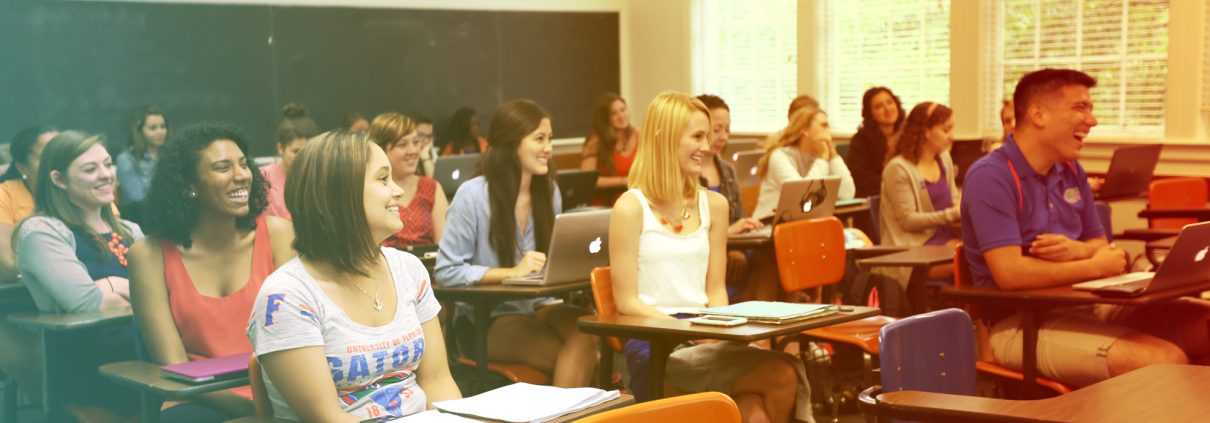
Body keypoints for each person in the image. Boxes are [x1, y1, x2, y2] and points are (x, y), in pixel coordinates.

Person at [962, 68, 1210, 387]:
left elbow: (1099, 244)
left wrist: (1078, 251)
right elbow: (1010, 274)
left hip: (1090, 304)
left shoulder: (1071, 170)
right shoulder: (991, 176)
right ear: (1038, 114)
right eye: (1080, 108)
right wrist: (1093, 265)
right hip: (1021, 323)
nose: (1092, 120)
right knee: (1163, 361)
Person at [609, 92, 811, 422]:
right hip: (656, 343)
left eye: (707, 136)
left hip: (705, 333)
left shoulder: (715, 206)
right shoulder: (630, 208)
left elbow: (716, 291)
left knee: (754, 411)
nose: (706, 146)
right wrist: (687, 329)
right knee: (781, 373)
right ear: (665, 138)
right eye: (697, 136)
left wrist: (721, 331)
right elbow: (626, 302)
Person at [248, 130, 460, 421]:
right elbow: (328, 418)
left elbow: (438, 382)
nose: (398, 191)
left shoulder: (408, 269)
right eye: (383, 179)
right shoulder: (287, 296)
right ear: (339, 195)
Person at [129, 122, 296, 419]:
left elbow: (297, 340)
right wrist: (249, 411)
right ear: (189, 186)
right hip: (198, 399)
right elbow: (174, 365)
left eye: (243, 164)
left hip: (278, 391)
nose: (242, 175)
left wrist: (270, 405)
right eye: (223, 168)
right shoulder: (148, 254)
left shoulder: (279, 234)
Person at [436, 100, 598, 387]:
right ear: (512, 142)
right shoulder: (472, 195)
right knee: (577, 357)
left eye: (550, 139)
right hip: (487, 318)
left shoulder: (549, 190)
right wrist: (511, 273)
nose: (548, 148)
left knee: (588, 332)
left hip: (539, 304)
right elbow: (446, 272)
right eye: (539, 138)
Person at [15, 130, 141, 417]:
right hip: (90, 370)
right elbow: (85, 302)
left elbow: (168, 292)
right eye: (90, 169)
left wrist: (109, 285)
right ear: (59, 179)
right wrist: (137, 291)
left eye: (107, 164)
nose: (106, 174)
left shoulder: (130, 230)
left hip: (146, 351)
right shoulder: (42, 231)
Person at [879, 102, 960, 281]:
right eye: (946, 130)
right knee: (972, 260)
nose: (951, 137)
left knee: (986, 252)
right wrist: (953, 214)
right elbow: (908, 221)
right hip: (911, 252)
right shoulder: (898, 168)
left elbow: (953, 199)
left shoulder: (943, 158)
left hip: (942, 241)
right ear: (926, 131)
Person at [695, 94, 763, 301]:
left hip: (731, 247)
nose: (723, 136)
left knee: (769, 257)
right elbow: (693, 233)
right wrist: (730, 235)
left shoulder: (728, 170)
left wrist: (737, 246)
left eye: (727, 129)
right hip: (705, 252)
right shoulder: (687, 173)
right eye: (716, 130)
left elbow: (739, 218)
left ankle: (762, 316)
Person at [752, 107, 856, 222]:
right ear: (805, 130)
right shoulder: (779, 156)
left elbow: (847, 193)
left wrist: (833, 154)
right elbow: (802, 196)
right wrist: (823, 158)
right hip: (768, 222)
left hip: (801, 222)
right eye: (824, 125)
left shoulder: (821, 157)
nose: (829, 132)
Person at [369, 113, 449, 247]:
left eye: (416, 142)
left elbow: (445, 246)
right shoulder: (371, 190)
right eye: (402, 144)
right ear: (381, 150)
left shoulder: (431, 187)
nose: (413, 151)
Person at [0, 125, 58, 284]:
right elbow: (7, 266)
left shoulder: (86, 188)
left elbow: (113, 247)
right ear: (22, 167)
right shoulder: (4, 196)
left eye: (64, 154)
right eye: (46, 157)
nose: (59, 162)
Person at [262, 103, 319, 221]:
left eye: (308, 151)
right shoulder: (262, 178)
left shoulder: (319, 178)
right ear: (280, 148)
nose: (303, 158)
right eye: (296, 151)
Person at [845, 87, 905, 198]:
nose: (887, 109)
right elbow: (862, 179)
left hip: (905, 193)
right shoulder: (861, 140)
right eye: (879, 107)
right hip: (875, 197)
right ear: (870, 113)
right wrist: (896, 184)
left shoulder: (908, 135)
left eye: (890, 102)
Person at [580, 93, 641, 202]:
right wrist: (624, 181)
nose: (621, 116)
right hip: (607, 202)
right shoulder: (595, 141)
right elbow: (587, 180)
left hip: (635, 199)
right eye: (614, 114)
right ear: (605, 118)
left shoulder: (639, 135)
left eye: (623, 110)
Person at [115, 106, 169, 222]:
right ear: (140, 131)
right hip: (142, 219)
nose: (160, 132)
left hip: (170, 215)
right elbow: (137, 199)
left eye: (163, 127)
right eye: (153, 128)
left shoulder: (170, 154)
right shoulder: (126, 159)